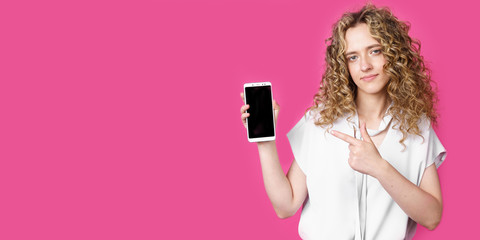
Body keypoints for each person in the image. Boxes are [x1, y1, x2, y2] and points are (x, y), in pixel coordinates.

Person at [239, 3, 446, 240]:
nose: (365, 65)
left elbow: (432, 217)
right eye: (353, 57)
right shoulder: (320, 121)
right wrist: (265, 142)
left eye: (375, 50)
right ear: (344, 65)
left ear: (394, 53)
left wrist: (379, 167)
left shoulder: (416, 127)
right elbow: (285, 206)